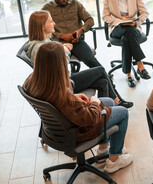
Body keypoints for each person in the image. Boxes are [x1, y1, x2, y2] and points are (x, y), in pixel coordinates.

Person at [23, 42, 133, 173]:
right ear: (59, 64)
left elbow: (63, 102)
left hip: (55, 130)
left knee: (109, 101)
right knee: (122, 112)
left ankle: (103, 149)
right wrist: (94, 103)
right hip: (75, 132)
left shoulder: (33, 81)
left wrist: (74, 97)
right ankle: (114, 160)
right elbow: (90, 118)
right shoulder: (62, 97)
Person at [42, 0, 133, 108]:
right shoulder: (47, 8)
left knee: (95, 64)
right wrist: (62, 36)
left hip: (77, 43)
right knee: (62, 70)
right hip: (59, 45)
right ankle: (113, 100)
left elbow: (90, 20)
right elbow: (45, 31)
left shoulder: (75, 4)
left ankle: (115, 98)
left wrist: (80, 31)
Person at [24, 10, 133, 108]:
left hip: (64, 79)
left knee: (103, 82)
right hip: (64, 84)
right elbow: (60, 67)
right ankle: (116, 100)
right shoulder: (39, 48)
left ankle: (103, 113)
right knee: (99, 69)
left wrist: (63, 49)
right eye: (51, 22)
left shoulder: (43, 42)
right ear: (42, 26)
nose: (54, 24)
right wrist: (66, 52)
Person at [102, 0, 150, 87]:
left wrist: (136, 21)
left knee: (126, 38)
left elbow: (144, 13)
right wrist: (119, 21)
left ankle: (128, 75)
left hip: (133, 26)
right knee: (129, 31)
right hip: (117, 27)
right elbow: (105, 16)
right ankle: (140, 65)